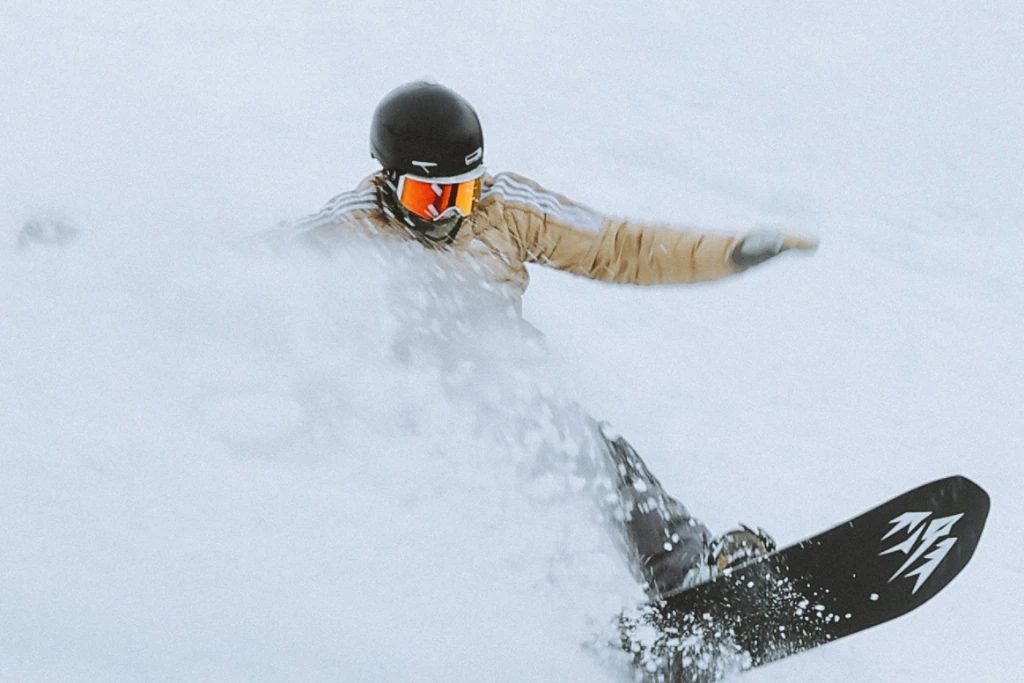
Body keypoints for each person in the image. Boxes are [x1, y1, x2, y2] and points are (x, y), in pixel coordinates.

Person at [265, 81, 817, 598]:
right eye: (429, 199)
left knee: (597, 452)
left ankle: (689, 575)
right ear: (388, 178)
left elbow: (619, 246)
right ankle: (556, 618)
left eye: (461, 194)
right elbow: (243, 274)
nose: (448, 214)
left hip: (511, 399)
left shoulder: (505, 210)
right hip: (414, 415)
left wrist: (728, 253)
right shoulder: (353, 230)